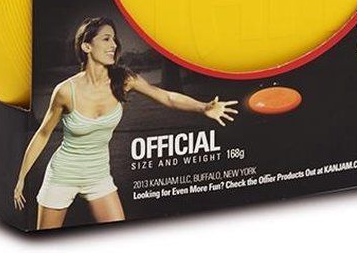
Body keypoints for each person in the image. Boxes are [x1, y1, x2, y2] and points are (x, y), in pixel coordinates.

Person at [13, 16, 238, 229]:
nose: (114, 44)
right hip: (62, 175)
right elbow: (43, 134)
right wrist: (21, 177)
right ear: (86, 46)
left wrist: (203, 107)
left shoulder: (123, 80)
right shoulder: (65, 91)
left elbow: (166, 96)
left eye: (114, 39)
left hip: (99, 176)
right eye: (106, 39)